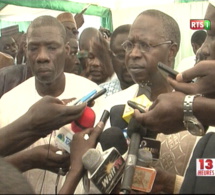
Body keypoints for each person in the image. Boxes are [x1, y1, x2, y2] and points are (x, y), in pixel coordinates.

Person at [0, 15, 102, 194]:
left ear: (67, 49)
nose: (42, 57)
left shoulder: (92, 93)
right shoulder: (7, 103)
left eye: (52, 47)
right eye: (33, 48)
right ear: (25, 50)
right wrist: (28, 160)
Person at [101, 9, 197, 190]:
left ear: (171, 51)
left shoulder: (197, 110)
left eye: (145, 45)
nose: (133, 54)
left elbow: (209, 174)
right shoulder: (110, 105)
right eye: (129, 45)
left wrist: (170, 183)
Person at [99, 24, 135, 97]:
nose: (127, 62)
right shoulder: (101, 95)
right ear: (111, 57)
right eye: (121, 56)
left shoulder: (156, 93)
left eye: (132, 56)